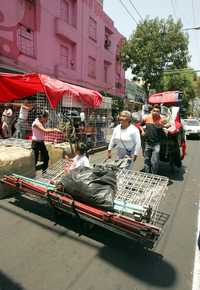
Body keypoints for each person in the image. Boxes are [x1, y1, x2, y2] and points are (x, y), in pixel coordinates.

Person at [140, 104, 166, 174]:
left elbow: (167, 126)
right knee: (146, 160)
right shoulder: (147, 118)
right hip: (147, 143)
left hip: (156, 144)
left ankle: (154, 175)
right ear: (151, 111)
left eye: (157, 111)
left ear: (159, 112)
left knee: (154, 162)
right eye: (154, 111)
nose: (155, 112)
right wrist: (142, 131)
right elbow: (140, 125)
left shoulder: (162, 119)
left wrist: (163, 126)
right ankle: (147, 174)